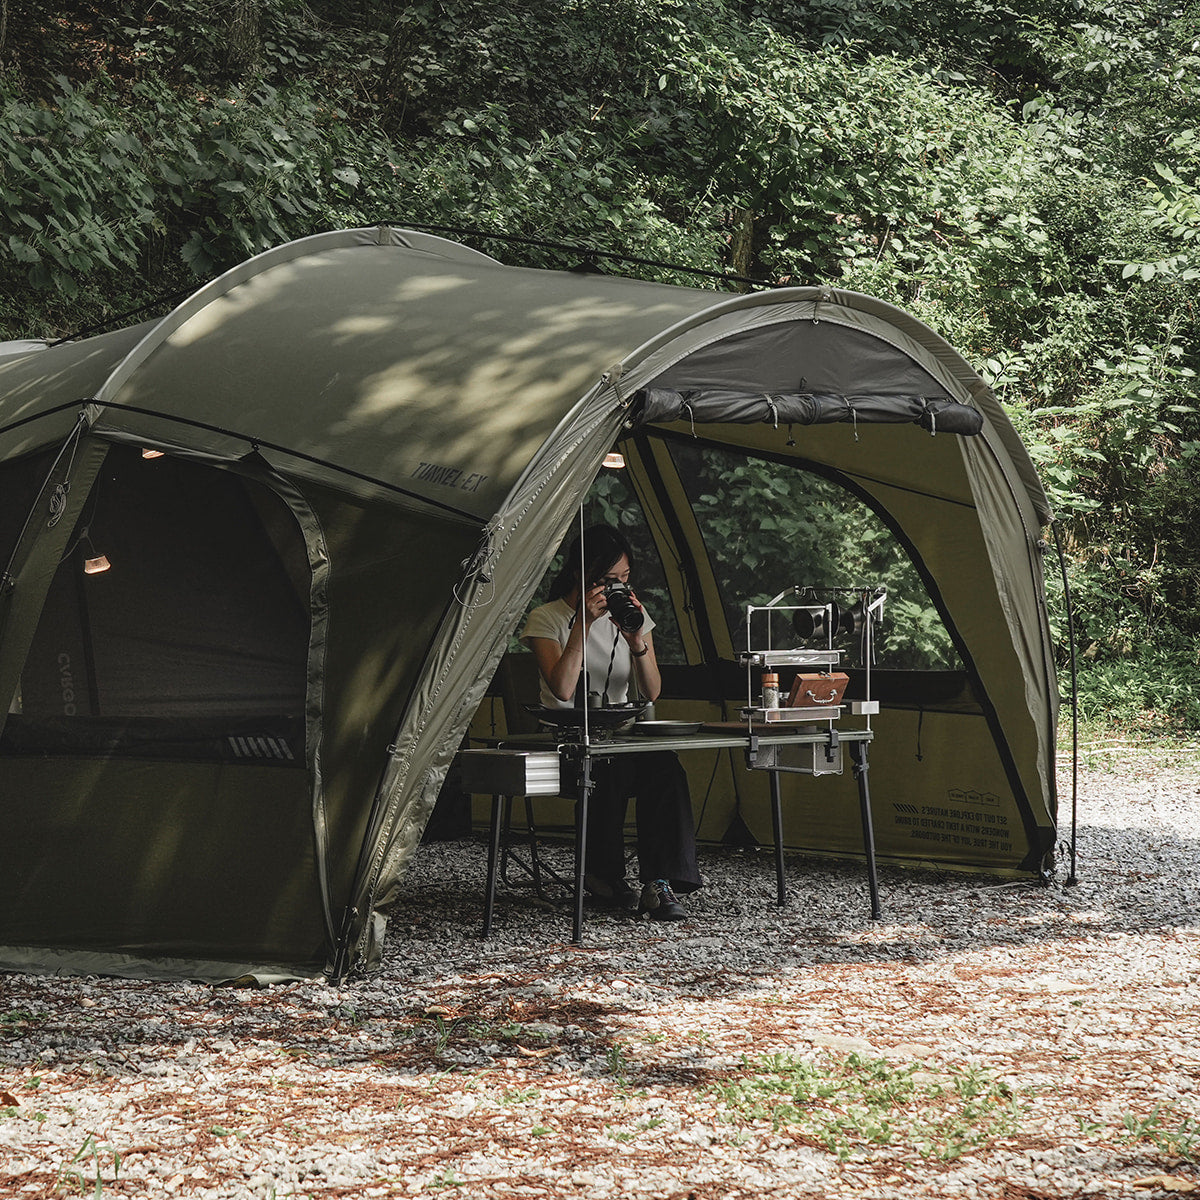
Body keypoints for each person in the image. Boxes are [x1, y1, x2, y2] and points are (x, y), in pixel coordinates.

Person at [520, 524, 701, 921]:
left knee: (666, 766)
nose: (616, 589)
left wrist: (637, 640)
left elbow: (652, 691)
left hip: (620, 738)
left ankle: (660, 881)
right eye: (608, 581)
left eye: (624, 580)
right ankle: (603, 875)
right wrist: (583, 625)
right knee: (609, 768)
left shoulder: (634, 617)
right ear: (581, 575)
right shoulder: (547, 618)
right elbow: (563, 690)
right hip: (567, 743)